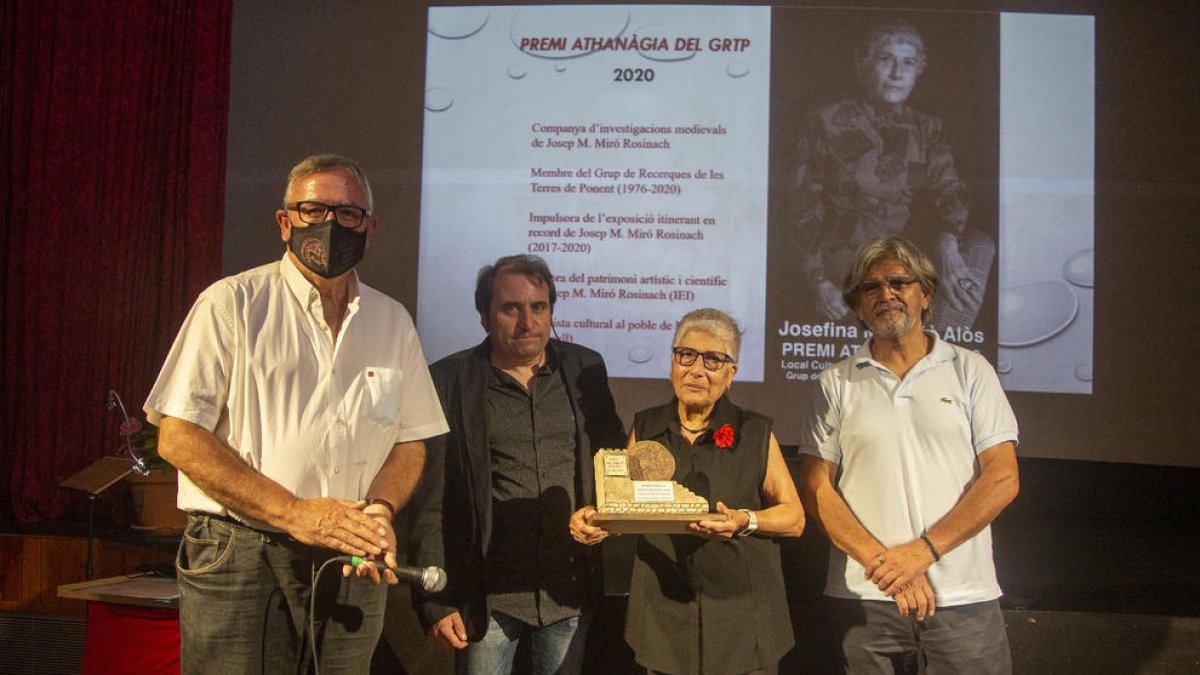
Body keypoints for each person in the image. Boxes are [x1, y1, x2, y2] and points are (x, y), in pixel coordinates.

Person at [144, 154, 449, 674]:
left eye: (348, 214)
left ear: (369, 228)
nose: (330, 224)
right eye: (313, 211)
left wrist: (379, 510)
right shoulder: (232, 304)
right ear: (285, 222)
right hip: (243, 553)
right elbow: (178, 436)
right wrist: (293, 513)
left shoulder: (391, 320)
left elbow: (409, 440)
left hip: (352, 557)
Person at [798, 236, 1020, 674]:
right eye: (871, 287)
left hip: (963, 597)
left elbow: (1002, 478)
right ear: (858, 307)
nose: (886, 294)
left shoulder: (971, 370)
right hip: (866, 598)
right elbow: (815, 486)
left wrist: (923, 552)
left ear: (926, 295)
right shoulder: (834, 383)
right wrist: (886, 565)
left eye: (900, 282)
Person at [407, 254, 625, 675]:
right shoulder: (450, 380)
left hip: (568, 592)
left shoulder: (585, 368)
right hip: (487, 597)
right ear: (484, 316)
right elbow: (429, 500)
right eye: (511, 308)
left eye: (538, 307)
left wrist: (607, 514)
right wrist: (433, 600)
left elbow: (611, 461)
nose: (528, 322)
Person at [570, 308, 806, 675]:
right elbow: (623, 504)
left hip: (741, 619)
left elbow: (794, 517)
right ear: (672, 364)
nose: (696, 370)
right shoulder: (646, 426)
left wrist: (744, 520)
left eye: (713, 360)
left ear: (731, 373)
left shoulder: (755, 432)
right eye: (686, 355)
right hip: (664, 615)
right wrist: (596, 522)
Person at [789, 18, 994, 330]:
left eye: (908, 63)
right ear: (863, 64)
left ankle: (941, 340)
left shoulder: (927, 127)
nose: (897, 73)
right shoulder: (825, 122)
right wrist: (818, 282)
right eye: (886, 60)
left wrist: (947, 239)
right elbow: (802, 208)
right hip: (848, 258)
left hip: (903, 253)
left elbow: (948, 187)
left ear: (918, 71)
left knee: (980, 244)